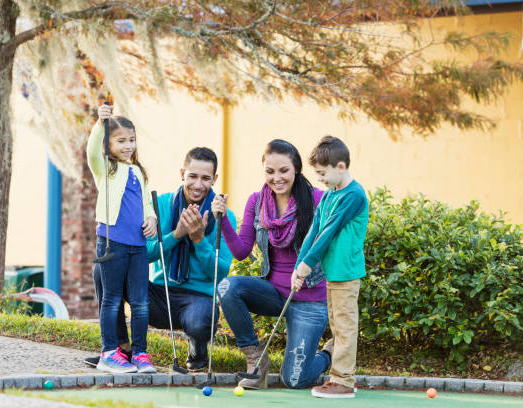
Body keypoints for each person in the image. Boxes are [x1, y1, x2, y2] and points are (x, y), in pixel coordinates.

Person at [87, 147, 236, 371]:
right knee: (104, 270)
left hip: (198, 299)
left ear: (214, 179)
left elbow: (220, 271)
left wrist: (198, 239)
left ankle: (197, 347)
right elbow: (141, 254)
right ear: (182, 173)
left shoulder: (223, 215)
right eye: (192, 176)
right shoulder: (158, 206)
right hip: (158, 295)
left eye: (206, 178)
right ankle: (122, 347)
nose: (198, 184)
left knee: (199, 323)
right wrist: (177, 234)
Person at [211, 139, 329, 390]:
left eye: (284, 170)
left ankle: (326, 355)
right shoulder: (257, 202)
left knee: (295, 380)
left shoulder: (318, 199)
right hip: (274, 293)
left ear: (296, 169)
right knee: (227, 288)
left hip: (309, 298)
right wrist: (221, 221)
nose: (277, 178)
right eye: (270, 171)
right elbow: (242, 252)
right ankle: (256, 361)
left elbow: (329, 246)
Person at [291, 136, 369, 399]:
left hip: (347, 272)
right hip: (333, 273)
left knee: (345, 326)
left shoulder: (354, 195)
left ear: (340, 166)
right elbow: (314, 231)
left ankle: (343, 381)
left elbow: (328, 232)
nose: (321, 179)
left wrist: (306, 267)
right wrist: (299, 265)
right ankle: (339, 375)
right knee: (337, 325)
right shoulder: (328, 196)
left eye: (323, 173)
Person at [87, 104, 157, 374]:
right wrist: (99, 125)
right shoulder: (106, 168)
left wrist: (151, 219)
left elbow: (146, 204)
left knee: (140, 302)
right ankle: (109, 353)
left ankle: (139, 353)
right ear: (109, 143)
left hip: (137, 245)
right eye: (121, 141)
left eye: (131, 140)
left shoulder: (138, 170)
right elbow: (92, 151)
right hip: (111, 241)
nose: (128, 145)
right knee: (113, 298)